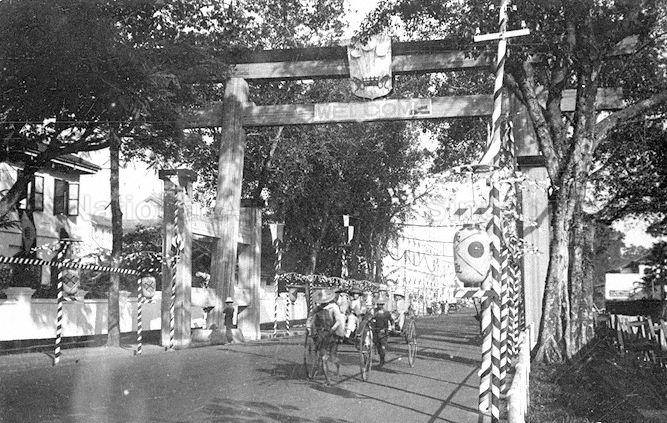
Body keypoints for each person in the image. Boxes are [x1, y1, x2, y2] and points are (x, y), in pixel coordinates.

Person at [371, 295, 394, 367]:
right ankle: (381, 358)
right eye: (378, 304)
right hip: (375, 331)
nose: (379, 306)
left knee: (383, 347)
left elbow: (391, 320)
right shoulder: (374, 311)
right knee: (377, 346)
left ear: (383, 305)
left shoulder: (386, 313)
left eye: (381, 304)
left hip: (383, 332)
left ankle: (382, 360)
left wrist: (392, 326)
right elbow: (370, 318)